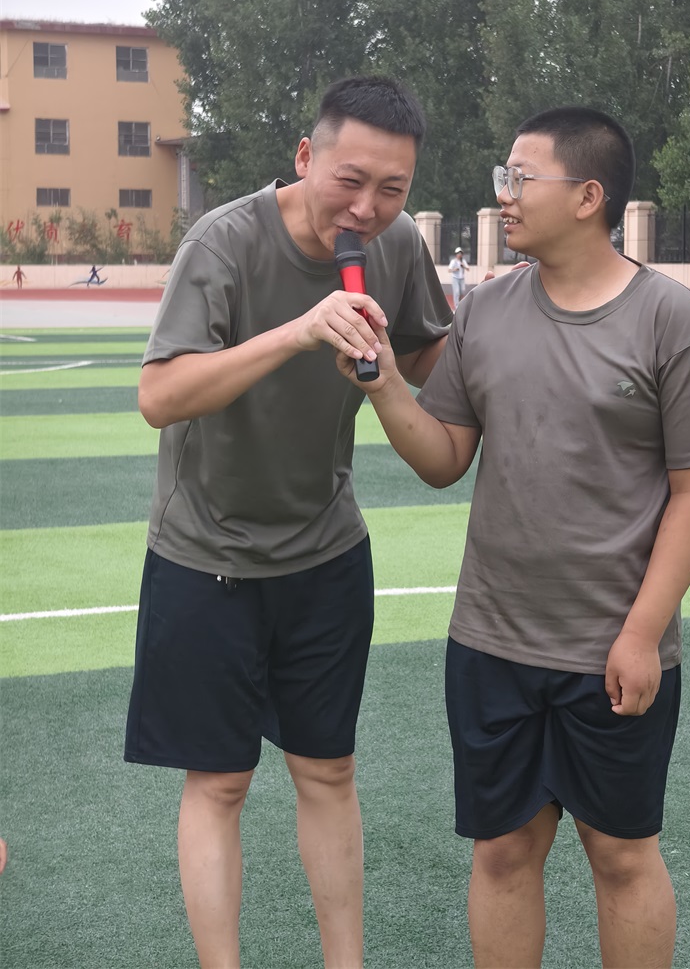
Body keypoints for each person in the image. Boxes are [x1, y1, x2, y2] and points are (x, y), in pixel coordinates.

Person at [337, 106, 690, 968]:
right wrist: (385, 386)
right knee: (503, 851)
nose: (504, 196)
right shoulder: (484, 312)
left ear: (589, 197)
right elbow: (445, 459)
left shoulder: (671, 321)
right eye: (503, 177)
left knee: (621, 855)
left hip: (614, 649)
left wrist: (641, 634)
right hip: (492, 643)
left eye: (521, 178)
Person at [124, 76, 452, 969]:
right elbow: (159, 396)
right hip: (206, 553)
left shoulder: (394, 247)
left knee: (329, 770)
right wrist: (301, 332)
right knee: (221, 782)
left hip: (326, 549)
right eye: (350, 180)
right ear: (306, 157)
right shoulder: (223, 241)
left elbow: (434, 351)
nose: (367, 207)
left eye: (393, 189)